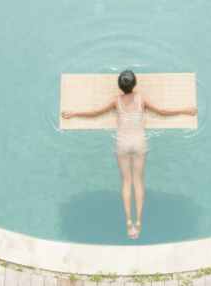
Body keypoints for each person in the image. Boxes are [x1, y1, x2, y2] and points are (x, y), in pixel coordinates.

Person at [61, 70, 197, 239]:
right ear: (135, 84)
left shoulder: (115, 100)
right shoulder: (143, 99)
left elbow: (95, 112)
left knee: (126, 182)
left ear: (119, 85)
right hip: (139, 140)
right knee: (138, 182)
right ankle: (139, 220)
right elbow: (162, 111)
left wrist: (73, 112)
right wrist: (186, 110)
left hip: (122, 141)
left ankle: (128, 220)